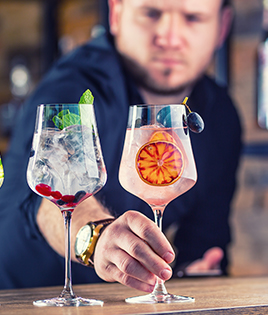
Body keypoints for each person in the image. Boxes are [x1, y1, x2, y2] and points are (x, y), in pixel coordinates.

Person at [0, 0, 242, 291]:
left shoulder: (220, 115)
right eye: (151, 13)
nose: (169, 36)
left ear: (222, 27)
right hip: (26, 298)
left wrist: (191, 274)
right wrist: (95, 237)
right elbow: (42, 191)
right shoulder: (75, 86)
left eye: (193, 18)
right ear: (116, 13)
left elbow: (204, 241)